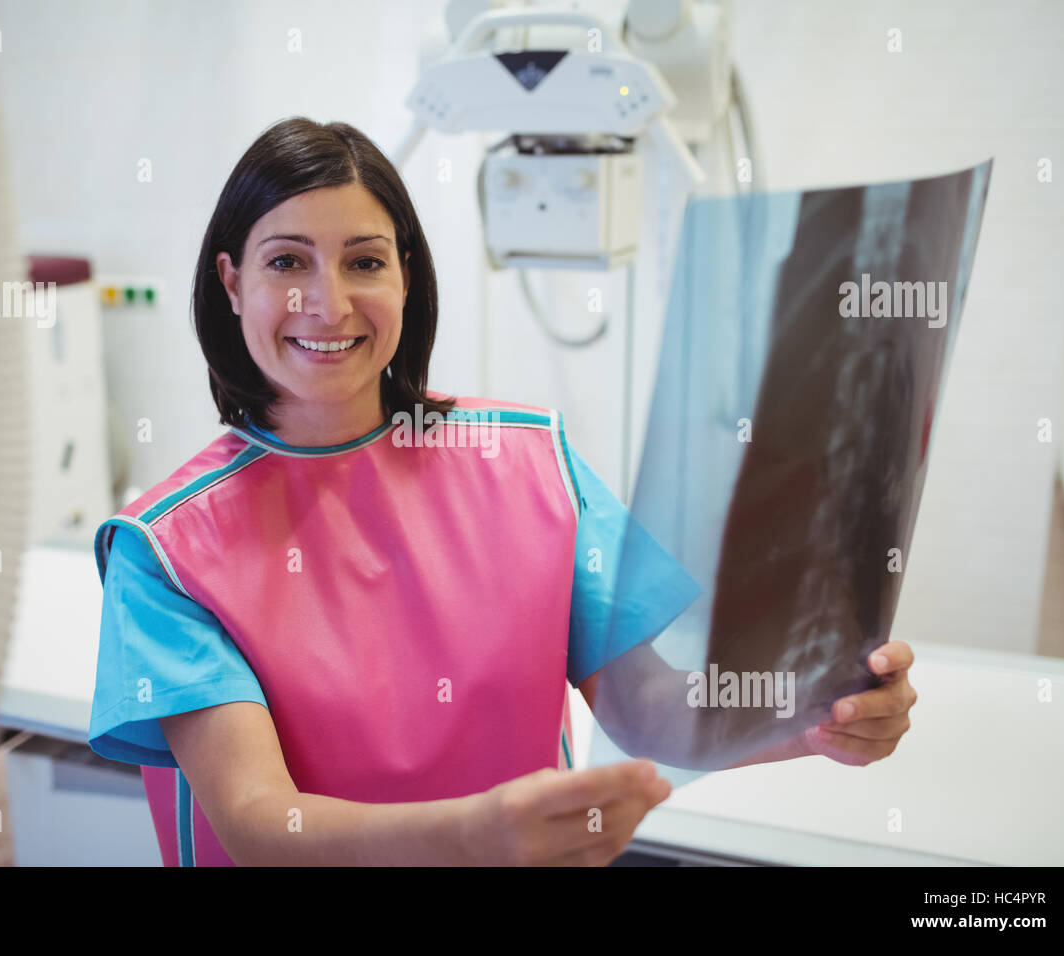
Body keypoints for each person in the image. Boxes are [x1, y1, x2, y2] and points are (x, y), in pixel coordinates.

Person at [87, 116, 917, 866]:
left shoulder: (529, 463)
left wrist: (814, 716)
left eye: (365, 261)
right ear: (232, 284)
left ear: (405, 278)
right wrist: (470, 838)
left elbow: (650, 706)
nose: (328, 301)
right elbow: (261, 824)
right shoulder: (168, 549)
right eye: (287, 262)